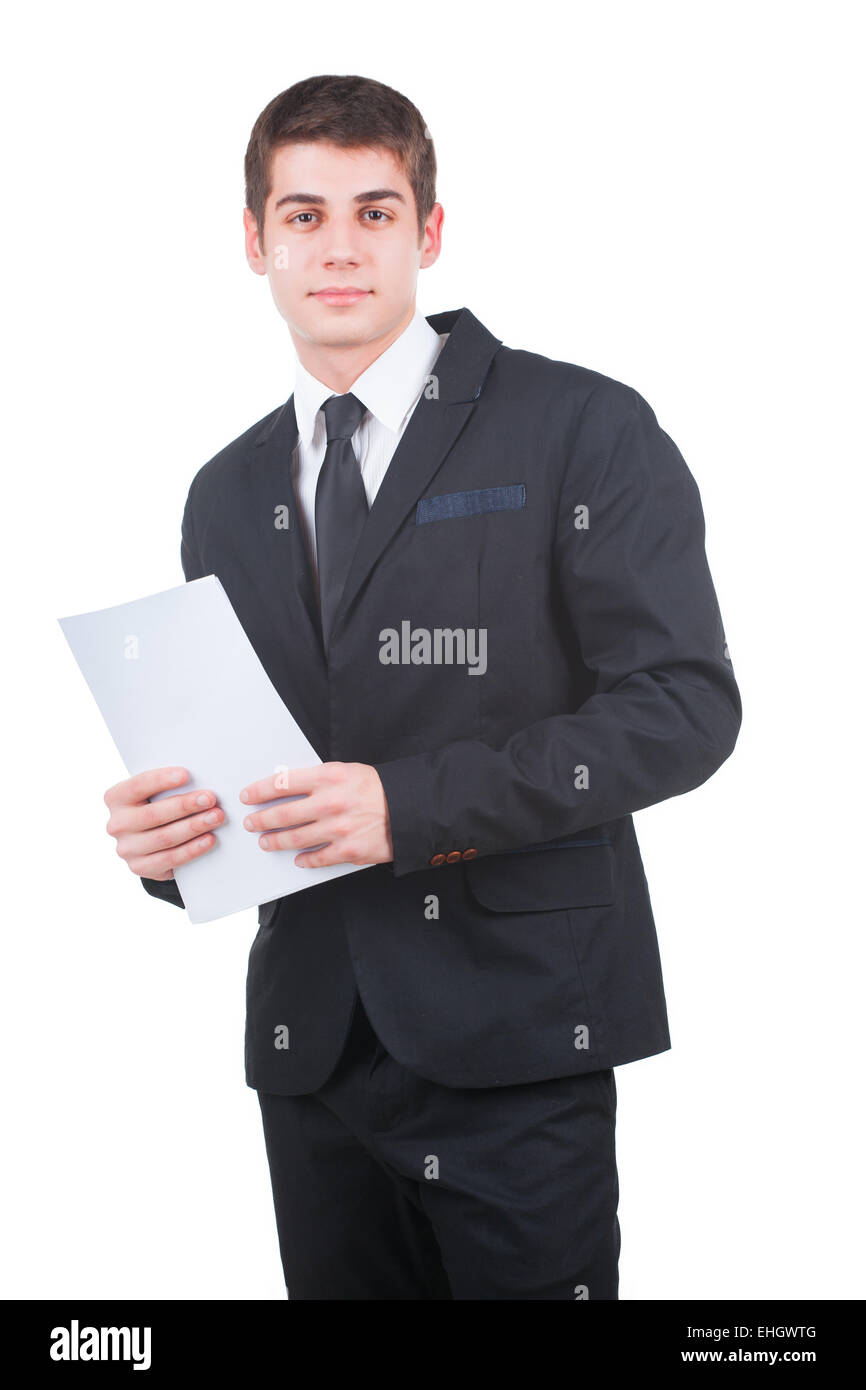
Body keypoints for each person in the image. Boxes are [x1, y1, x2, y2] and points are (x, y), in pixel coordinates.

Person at [103, 73, 742, 1300]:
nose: (337, 246)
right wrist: (169, 847)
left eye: (374, 211)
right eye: (301, 215)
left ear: (428, 232)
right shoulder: (224, 493)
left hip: (515, 1035)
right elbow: (255, 766)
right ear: (254, 241)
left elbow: (683, 703)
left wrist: (414, 807)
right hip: (315, 1051)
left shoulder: (580, 427)